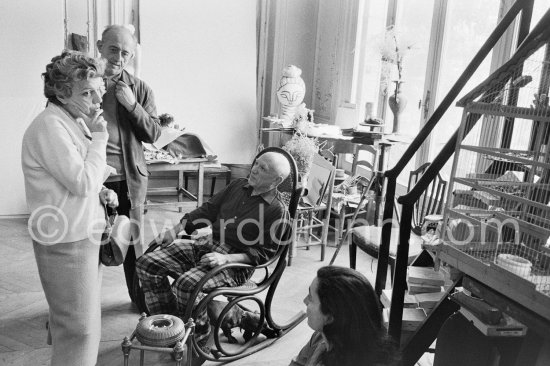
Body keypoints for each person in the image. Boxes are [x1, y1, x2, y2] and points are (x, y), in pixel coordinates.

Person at [136, 151, 291, 353]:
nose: (254, 169)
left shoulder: (277, 210)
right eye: (256, 163)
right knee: (147, 264)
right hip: (208, 244)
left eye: (263, 169)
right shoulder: (238, 185)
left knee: (187, 285)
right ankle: (171, 327)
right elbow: (208, 210)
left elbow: (264, 254)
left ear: (277, 180)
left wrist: (225, 258)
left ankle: (198, 341)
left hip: (237, 262)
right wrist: (174, 231)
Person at [21, 51, 119, 366]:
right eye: (86, 92)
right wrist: (101, 139)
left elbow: (77, 178)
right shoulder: (50, 126)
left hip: (79, 234)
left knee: (81, 324)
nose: (96, 100)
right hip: (66, 240)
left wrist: (101, 190)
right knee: (78, 329)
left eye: (98, 91)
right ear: (61, 92)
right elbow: (79, 181)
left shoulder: (68, 121)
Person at [96, 24, 161, 302]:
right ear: (100, 47)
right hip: (92, 180)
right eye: (113, 49)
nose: (118, 57)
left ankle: (139, 299)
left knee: (133, 243)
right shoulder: (84, 84)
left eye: (125, 53)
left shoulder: (140, 88)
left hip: (129, 180)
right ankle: (86, 305)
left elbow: (154, 133)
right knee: (92, 242)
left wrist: (133, 105)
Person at [290, 266, 400, 366]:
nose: (305, 301)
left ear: (330, 317)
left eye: (311, 298)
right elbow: (298, 363)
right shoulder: (322, 336)